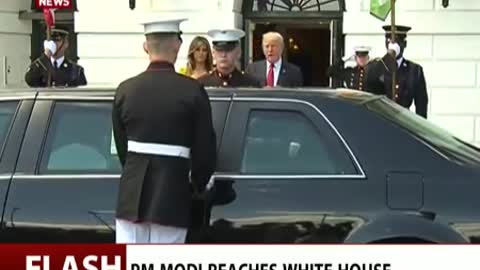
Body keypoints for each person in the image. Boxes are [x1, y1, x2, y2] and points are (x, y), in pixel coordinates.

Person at [111, 17, 217, 243]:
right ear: (177, 45)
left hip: (130, 196)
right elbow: (205, 151)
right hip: (172, 194)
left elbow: (122, 149)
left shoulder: (125, 90)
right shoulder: (193, 91)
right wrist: (198, 184)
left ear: (145, 46)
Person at [364, 25, 428, 118]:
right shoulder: (375, 67)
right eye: (389, 41)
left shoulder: (414, 70)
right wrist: (389, 57)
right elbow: (369, 84)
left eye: (397, 41)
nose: (393, 45)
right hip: (381, 120)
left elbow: (421, 106)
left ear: (405, 44)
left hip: (403, 121)